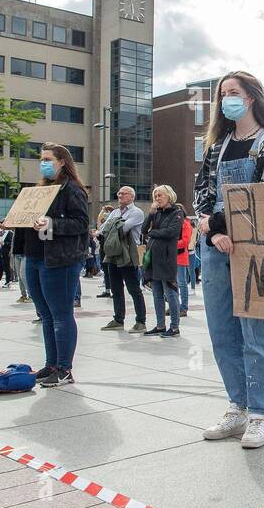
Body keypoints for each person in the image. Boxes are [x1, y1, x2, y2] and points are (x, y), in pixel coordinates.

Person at [193, 70, 264, 449]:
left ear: (251, 97)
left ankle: (259, 414)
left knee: (257, 334)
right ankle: (237, 405)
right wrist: (211, 230)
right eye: (221, 95)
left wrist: (221, 223)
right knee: (222, 333)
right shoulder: (216, 147)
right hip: (215, 247)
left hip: (255, 250)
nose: (225, 100)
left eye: (232, 92)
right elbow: (201, 192)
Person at [23, 144, 89, 387]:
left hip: (60, 259)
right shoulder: (41, 190)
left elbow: (81, 223)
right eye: (42, 159)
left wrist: (51, 223)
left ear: (62, 162)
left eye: (48, 159)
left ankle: (64, 368)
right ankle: (52, 364)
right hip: (37, 255)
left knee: (61, 315)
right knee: (47, 315)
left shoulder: (72, 190)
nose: (44, 163)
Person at [98, 185, 148, 333]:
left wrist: (111, 226)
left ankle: (141, 321)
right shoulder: (115, 212)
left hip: (128, 254)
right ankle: (118, 319)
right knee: (116, 288)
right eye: (119, 193)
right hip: (113, 253)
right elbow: (102, 230)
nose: (120, 195)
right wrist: (111, 226)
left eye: (124, 193)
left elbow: (122, 229)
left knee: (134, 289)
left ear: (132, 197)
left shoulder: (137, 212)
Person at [143, 185, 186, 337]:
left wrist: (153, 233)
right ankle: (160, 325)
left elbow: (171, 232)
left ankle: (174, 327)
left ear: (169, 195)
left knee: (171, 293)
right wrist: (150, 214)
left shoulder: (177, 213)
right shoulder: (157, 213)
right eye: (155, 196)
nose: (157, 198)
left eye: (160, 195)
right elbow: (143, 230)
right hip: (154, 258)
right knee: (157, 295)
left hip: (167, 259)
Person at [177, 213, 195, 316]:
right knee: (172, 283)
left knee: (182, 282)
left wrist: (170, 244)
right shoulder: (174, 223)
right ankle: (174, 306)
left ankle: (183, 307)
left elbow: (185, 242)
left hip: (181, 257)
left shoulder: (186, 224)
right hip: (170, 257)